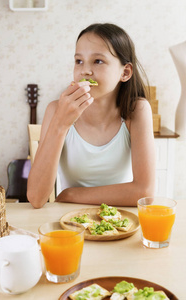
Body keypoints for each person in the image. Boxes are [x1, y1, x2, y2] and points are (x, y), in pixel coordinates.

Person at [27, 23, 155, 209]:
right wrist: (60, 124)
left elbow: (144, 193)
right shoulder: (55, 110)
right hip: (70, 222)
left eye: (98, 61)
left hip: (120, 219)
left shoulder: (137, 111)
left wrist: (71, 193)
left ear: (125, 72)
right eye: (79, 61)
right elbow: (36, 197)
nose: (84, 71)